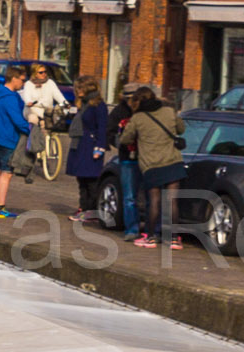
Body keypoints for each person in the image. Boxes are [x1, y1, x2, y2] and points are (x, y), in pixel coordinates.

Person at [114, 88, 182, 247]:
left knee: (154, 201)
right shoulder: (168, 111)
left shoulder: (138, 118)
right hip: (173, 161)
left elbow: (125, 139)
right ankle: (173, 239)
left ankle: (151, 237)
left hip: (152, 164)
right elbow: (181, 129)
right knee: (172, 202)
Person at [0, 68, 31, 217]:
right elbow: (17, 120)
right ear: (14, 78)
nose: (23, 83)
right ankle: (0, 208)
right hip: (8, 138)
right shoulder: (9, 97)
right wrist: (30, 130)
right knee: (7, 173)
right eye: (22, 80)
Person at [66, 83, 116, 224]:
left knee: (91, 180)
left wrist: (99, 147)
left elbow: (102, 127)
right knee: (81, 178)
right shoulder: (83, 104)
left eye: (80, 88)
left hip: (90, 145)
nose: (77, 91)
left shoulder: (98, 106)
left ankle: (91, 210)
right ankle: (83, 207)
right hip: (80, 144)